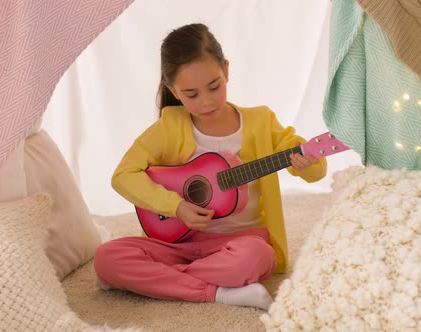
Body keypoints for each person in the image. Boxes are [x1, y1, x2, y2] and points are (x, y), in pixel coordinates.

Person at [94, 23, 327, 310]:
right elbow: (123, 176)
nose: (206, 101)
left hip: (241, 243)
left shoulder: (261, 122)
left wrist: (310, 163)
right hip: (177, 244)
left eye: (214, 87)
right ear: (173, 91)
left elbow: (315, 171)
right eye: (191, 94)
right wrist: (176, 207)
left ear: (226, 71)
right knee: (106, 257)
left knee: (256, 258)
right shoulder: (169, 126)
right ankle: (220, 293)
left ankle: (154, 281)